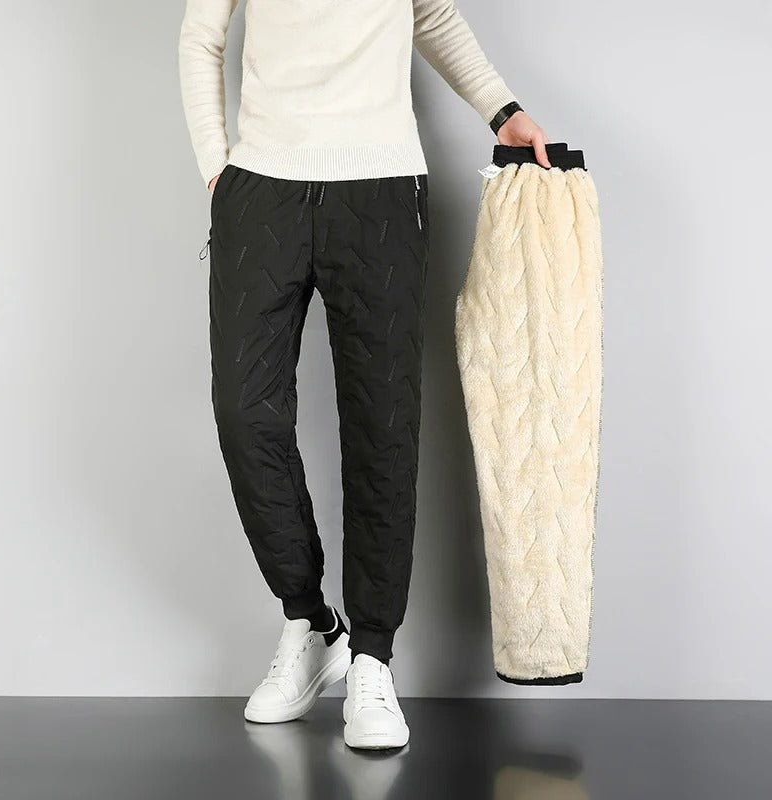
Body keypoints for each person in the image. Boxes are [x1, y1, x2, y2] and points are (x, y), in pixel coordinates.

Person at [178, 0, 550, 750]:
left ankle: (373, 657)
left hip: (382, 189)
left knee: (384, 427)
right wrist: (218, 166)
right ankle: (313, 623)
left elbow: (433, 15)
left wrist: (502, 110)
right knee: (245, 412)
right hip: (262, 189)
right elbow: (200, 37)